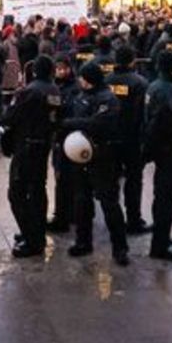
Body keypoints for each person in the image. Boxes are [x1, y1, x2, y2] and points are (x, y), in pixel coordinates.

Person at [62, 62, 131, 265]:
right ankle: (83, 241)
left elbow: (98, 124)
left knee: (109, 204)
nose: (79, 80)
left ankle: (120, 248)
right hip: (80, 156)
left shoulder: (107, 99)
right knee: (81, 201)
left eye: (82, 77)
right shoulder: (81, 96)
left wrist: (69, 124)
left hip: (104, 157)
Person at [0, 54, 62, 258]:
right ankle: (37, 232)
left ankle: (32, 238)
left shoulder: (27, 91)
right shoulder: (54, 91)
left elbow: (8, 117)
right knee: (38, 190)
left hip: (25, 146)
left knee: (16, 193)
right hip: (43, 145)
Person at [142, 51, 172, 261]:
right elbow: (163, 124)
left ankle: (162, 235)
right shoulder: (170, 92)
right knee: (166, 199)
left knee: (162, 197)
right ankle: (159, 246)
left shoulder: (154, 86)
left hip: (163, 151)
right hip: (169, 151)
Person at [105, 45, 151, 234]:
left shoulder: (107, 81)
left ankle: (113, 219)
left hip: (110, 137)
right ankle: (134, 219)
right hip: (132, 139)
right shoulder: (140, 83)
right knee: (133, 180)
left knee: (110, 180)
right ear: (133, 61)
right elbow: (144, 113)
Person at [47, 53, 82, 234]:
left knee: (67, 178)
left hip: (69, 137)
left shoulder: (74, 88)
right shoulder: (55, 86)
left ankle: (65, 216)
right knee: (62, 177)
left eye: (63, 68)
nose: (60, 71)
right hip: (60, 138)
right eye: (57, 68)